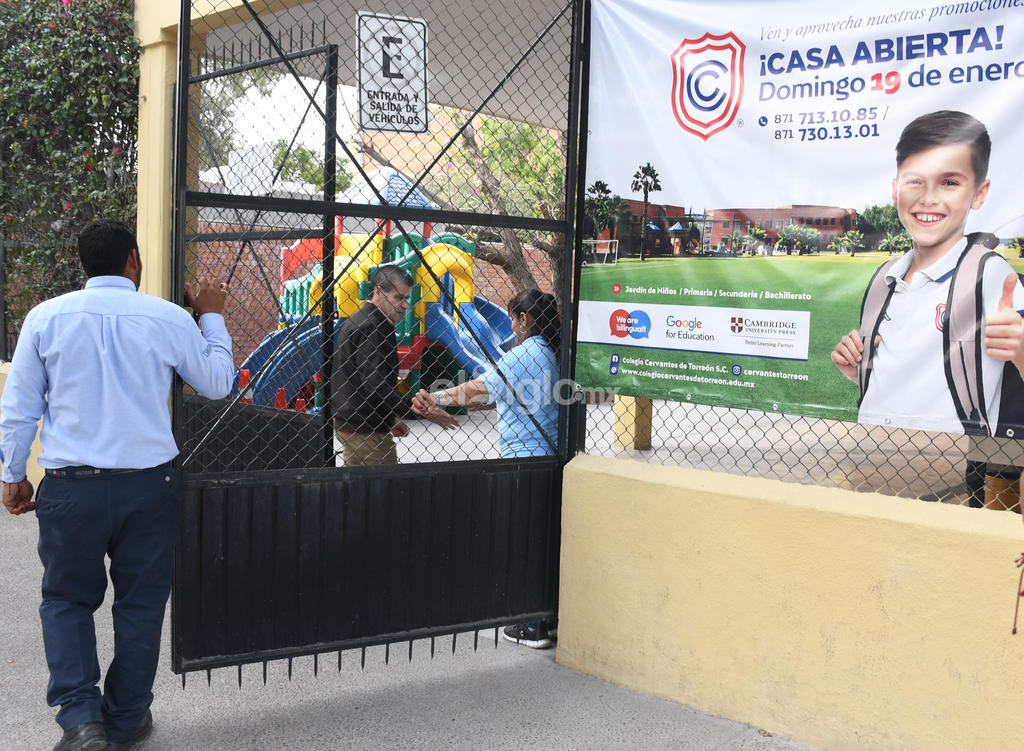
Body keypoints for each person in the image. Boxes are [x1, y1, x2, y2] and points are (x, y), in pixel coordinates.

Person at [0, 219, 234, 751]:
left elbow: (18, 412)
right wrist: (213, 318)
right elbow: (218, 383)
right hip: (149, 487)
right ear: (135, 260)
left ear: (84, 264)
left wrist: (13, 475)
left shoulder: (45, 318)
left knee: (65, 600)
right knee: (141, 604)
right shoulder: (169, 318)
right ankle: (126, 719)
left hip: (69, 486)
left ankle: (82, 721)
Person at [831, 110, 1024, 435]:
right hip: (869, 453)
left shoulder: (988, 273)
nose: (929, 197)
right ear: (896, 190)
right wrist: (857, 368)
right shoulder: (884, 278)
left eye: (949, 182)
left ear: (980, 193)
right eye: (915, 181)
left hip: (950, 470)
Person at [413, 288, 560, 647]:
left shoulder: (526, 352)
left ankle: (532, 625)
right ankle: (546, 615)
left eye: (513, 318)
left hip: (524, 459)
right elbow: (504, 395)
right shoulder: (554, 352)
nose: (511, 325)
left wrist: (436, 397)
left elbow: (477, 389)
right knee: (542, 538)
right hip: (550, 455)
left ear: (524, 320)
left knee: (524, 541)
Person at [331, 264, 457, 465]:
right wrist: (418, 408)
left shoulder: (370, 321)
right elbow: (375, 384)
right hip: (364, 428)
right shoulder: (372, 327)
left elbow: (366, 381)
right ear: (379, 292)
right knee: (382, 490)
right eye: (399, 297)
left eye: (407, 298)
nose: (406, 305)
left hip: (358, 423)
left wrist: (388, 418)